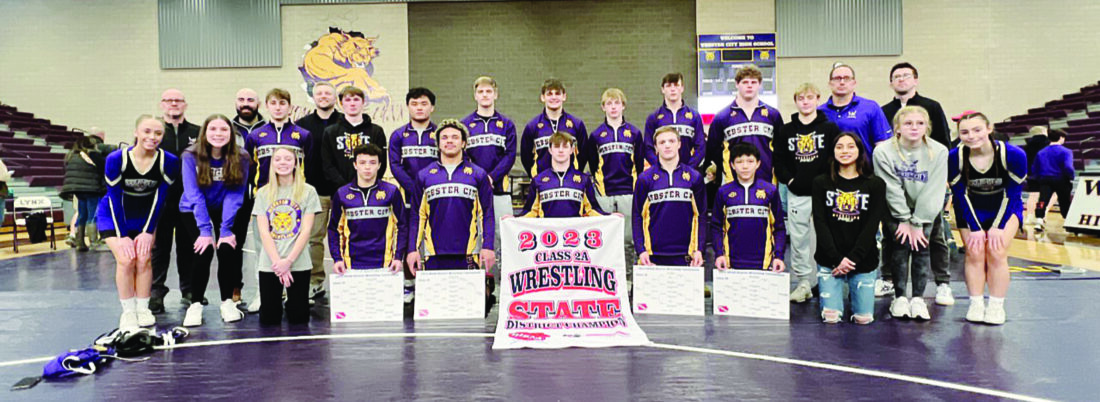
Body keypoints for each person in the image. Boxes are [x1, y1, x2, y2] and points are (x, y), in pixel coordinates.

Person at [879, 62, 955, 304]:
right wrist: (903, 217)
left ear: (915, 79)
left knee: (935, 236)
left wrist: (942, 178)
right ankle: (889, 279)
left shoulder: (931, 106)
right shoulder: (884, 110)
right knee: (893, 237)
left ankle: (942, 282)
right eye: (897, 76)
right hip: (898, 186)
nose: (901, 79)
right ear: (891, 82)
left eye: (906, 75)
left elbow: (944, 141)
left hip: (928, 184)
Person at [99, 115, 181, 330]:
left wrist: (147, 231)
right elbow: (114, 198)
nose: (152, 137)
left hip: (146, 215)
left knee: (144, 258)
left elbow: (160, 199)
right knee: (126, 259)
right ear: (136, 132)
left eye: (158, 133)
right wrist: (123, 235)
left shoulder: (169, 161)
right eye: (147, 131)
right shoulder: (116, 159)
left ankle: (143, 308)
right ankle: (128, 312)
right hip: (114, 215)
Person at [949, 112, 1026, 325]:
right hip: (970, 209)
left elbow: (1012, 194)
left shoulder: (1013, 154)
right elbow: (960, 195)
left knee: (997, 251)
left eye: (977, 130)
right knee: (974, 252)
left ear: (989, 129)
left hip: (1005, 208)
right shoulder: (955, 157)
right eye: (965, 132)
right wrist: (975, 228)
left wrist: (998, 226)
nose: (971, 136)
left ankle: (996, 305)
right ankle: (976, 303)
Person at [873, 106, 949, 320]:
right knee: (900, 244)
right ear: (897, 128)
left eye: (920, 123)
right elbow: (891, 187)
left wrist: (918, 222)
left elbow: (934, 189)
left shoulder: (939, 151)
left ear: (927, 127)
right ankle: (899, 297)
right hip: (894, 207)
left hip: (925, 207)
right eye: (908, 123)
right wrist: (904, 219)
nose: (914, 128)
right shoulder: (883, 151)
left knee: (921, 245)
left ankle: (917, 298)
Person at [179, 115, 250, 326]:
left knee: (227, 249)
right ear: (204, 132)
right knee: (204, 250)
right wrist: (204, 230)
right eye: (213, 129)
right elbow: (194, 194)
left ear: (231, 134)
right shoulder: (190, 155)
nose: (218, 134)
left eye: (223, 130)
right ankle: (195, 304)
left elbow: (235, 194)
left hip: (224, 206)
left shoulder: (241, 156)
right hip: (193, 208)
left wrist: (225, 229)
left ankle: (227, 302)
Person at [246, 89, 316, 299]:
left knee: (296, 242)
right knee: (263, 246)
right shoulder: (256, 135)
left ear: (290, 107)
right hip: (266, 199)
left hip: (295, 199)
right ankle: (263, 293)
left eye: (282, 103)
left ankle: (296, 289)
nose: (278, 107)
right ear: (267, 106)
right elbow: (249, 168)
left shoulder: (303, 135)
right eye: (274, 103)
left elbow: (309, 166)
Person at [773, 83, 839, 302]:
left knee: (826, 237)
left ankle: (827, 279)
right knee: (799, 239)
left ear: (818, 99)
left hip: (825, 193)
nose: (805, 102)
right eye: (801, 98)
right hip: (798, 193)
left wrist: (830, 183)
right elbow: (779, 161)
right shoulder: (786, 130)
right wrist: (790, 180)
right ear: (795, 101)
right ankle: (803, 283)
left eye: (810, 98)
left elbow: (837, 158)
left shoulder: (830, 128)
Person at [813, 132, 886, 324]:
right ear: (833, 152)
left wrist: (852, 259)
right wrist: (837, 259)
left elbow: (872, 226)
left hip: (862, 259)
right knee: (831, 318)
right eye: (839, 147)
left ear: (860, 150)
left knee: (863, 318)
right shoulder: (821, 182)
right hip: (830, 260)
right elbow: (820, 223)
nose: (845, 151)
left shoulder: (875, 184)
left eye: (850, 146)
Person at [406, 119, 496, 273]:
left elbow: (487, 214)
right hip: (433, 255)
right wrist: (412, 249)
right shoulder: (424, 176)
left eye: (455, 137)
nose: (449, 141)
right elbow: (417, 216)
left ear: (463, 143)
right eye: (444, 137)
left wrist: (488, 246)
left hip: (468, 254)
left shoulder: (478, 174)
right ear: (438, 144)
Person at [253, 146, 321, 325]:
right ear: (272, 164)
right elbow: (264, 232)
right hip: (271, 263)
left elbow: (306, 230)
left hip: (298, 261)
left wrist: (288, 261)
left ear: (296, 164)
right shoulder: (263, 193)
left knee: (299, 317)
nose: (282, 163)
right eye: (278, 159)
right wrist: (279, 263)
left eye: (288, 159)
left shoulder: (308, 191)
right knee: (269, 318)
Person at [295, 81, 345, 303]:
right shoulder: (302, 125)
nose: (324, 96)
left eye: (328, 93)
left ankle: (351, 278)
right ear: (313, 97)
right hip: (315, 191)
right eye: (319, 93)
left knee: (348, 237)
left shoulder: (345, 122)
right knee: (313, 238)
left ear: (335, 98)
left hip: (344, 190)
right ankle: (315, 282)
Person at [152, 89, 200, 313]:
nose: (174, 104)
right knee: (159, 248)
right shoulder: (154, 132)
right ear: (162, 104)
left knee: (188, 247)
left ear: (185, 105)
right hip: (160, 200)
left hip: (188, 200)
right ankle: (156, 292)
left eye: (178, 100)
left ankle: (189, 290)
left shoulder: (197, 132)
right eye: (169, 100)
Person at [461, 76, 518, 261]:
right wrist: (479, 179)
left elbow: (509, 156)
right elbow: (463, 156)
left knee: (503, 236)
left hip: (500, 190)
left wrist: (491, 177)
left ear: (496, 94)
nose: (485, 95)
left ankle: (503, 277)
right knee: (475, 235)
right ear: (475, 95)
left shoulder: (507, 124)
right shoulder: (465, 125)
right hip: (473, 191)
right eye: (481, 91)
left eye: (488, 91)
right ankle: (478, 276)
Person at [585, 88, 643, 266]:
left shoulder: (634, 133)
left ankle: (629, 277)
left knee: (628, 240)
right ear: (603, 107)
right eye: (609, 103)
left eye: (617, 103)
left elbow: (639, 164)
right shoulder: (596, 135)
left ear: (623, 106)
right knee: (605, 240)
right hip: (604, 194)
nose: (613, 107)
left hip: (628, 193)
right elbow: (593, 165)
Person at [633, 127, 706, 267]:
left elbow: (700, 215)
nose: (667, 145)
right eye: (662, 142)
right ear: (656, 148)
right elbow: (637, 215)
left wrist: (699, 249)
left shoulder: (694, 177)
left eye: (671, 141)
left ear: (679, 144)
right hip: (652, 255)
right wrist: (641, 250)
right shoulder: (644, 179)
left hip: (686, 255)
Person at [329, 144, 407, 273]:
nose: (367, 167)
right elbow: (334, 229)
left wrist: (398, 257)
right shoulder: (342, 194)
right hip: (350, 265)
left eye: (372, 162)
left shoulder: (391, 192)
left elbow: (402, 226)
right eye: (362, 162)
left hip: (386, 264)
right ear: (355, 165)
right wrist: (337, 259)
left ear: (379, 165)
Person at [711, 143, 786, 272]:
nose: (745, 166)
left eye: (750, 161)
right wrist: (719, 254)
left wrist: (778, 256)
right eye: (739, 162)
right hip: (730, 264)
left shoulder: (770, 191)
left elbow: (779, 228)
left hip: (764, 264)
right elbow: (716, 226)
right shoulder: (723, 192)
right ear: (732, 165)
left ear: (758, 164)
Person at [705, 64, 784, 184]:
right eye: (745, 82)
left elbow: (781, 149)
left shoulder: (773, 115)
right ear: (737, 84)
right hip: (732, 183)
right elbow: (713, 151)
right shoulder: (722, 117)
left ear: (760, 84)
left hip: (766, 182)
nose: (749, 86)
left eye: (753, 82)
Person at [517, 132, 606, 218]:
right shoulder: (538, 180)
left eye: (565, 146)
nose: (560, 150)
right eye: (556, 146)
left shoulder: (584, 180)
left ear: (572, 150)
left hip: (574, 228)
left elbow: (592, 210)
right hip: (548, 228)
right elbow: (530, 212)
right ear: (550, 150)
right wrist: (513, 219)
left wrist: (610, 217)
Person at [818, 63, 892, 158]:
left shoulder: (870, 107)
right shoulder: (819, 112)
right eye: (837, 78)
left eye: (846, 78)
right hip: (829, 167)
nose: (842, 82)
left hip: (864, 167)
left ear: (854, 83)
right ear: (830, 83)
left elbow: (882, 145)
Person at [322, 86, 388, 192]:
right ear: (341, 103)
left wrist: (367, 184)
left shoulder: (376, 131)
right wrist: (344, 187)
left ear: (363, 102)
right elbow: (327, 165)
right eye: (348, 100)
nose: (352, 103)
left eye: (356, 99)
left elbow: (381, 163)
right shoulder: (330, 132)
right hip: (339, 191)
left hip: (370, 190)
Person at [520, 79, 588, 177]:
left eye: (557, 93)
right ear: (542, 97)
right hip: (542, 182)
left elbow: (584, 154)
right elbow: (525, 157)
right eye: (549, 94)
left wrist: (574, 175)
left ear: (564, 96)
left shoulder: (577, 124)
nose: (554, 97)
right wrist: (537, 178)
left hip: (570, 181)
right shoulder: (532, 126)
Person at [645, 73, 705, 169]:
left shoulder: (694, 116)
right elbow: (648, 148)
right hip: (662, 172)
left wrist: (689, 169)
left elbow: (701, 147)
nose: (673, 89)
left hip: (687, 171)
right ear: (662, 89)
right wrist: (660, 167)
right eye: (668, 86)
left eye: (676, 85)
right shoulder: (653, 118)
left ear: (682, 88)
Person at [59, 135, 107, 252]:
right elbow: (103, 168)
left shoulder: (71, 155)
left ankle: (80, 242)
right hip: (91, 189)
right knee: (92, 215)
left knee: (82, 215)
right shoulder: (91, 154)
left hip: (77, 190)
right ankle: (94, 242)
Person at [389, 87, 438, 198]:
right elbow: (395, 165)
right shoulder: (398, 135)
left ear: (432, 107)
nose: (419, 108)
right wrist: (414, 189)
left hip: (436, 191)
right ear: (407, 107)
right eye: (414, 104)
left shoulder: (441, 134)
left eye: (424, 104)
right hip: (409, 194)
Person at [1032, 128, 1075, 232]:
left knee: (1042, 200)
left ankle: (1039, 219)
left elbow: (1035, 168)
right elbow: (1068, 167)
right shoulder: (1066, 151)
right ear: (1061, 138)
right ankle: (1067, 220)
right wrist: (1071, 176)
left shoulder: (1041, 152)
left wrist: (1038, 178)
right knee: (1064, 201)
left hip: (1045, 179)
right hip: (1061, 179)